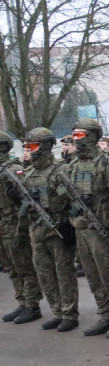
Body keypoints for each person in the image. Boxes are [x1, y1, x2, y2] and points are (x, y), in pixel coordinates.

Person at [68, 119, 109, 338]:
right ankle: (105, 315)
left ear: (93, 136)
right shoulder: (74, 164)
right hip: (82, 229)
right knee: (93, 277)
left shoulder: (107, 163)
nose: (76, 138)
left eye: (81, 134)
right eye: (74, 134)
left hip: (101, 229)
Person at [21, 128, 79, 331]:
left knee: (64, 273)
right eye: (27, 146)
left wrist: (69, 224)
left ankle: (70, 314)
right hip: (37, 229)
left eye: (33, 146)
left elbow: (75, 200)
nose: (29, 150)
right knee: (44, 274)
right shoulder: (29, 172)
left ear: (45, 146)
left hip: (57, 229)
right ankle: (57, 312)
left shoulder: (60, 169)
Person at [0, 131, 43, 324]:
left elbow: (26, 198)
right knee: (10, 267)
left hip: (14, 225)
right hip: (2, 225)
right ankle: (22, 301)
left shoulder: (13, 168)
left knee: (23, 266)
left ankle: (32, 305)